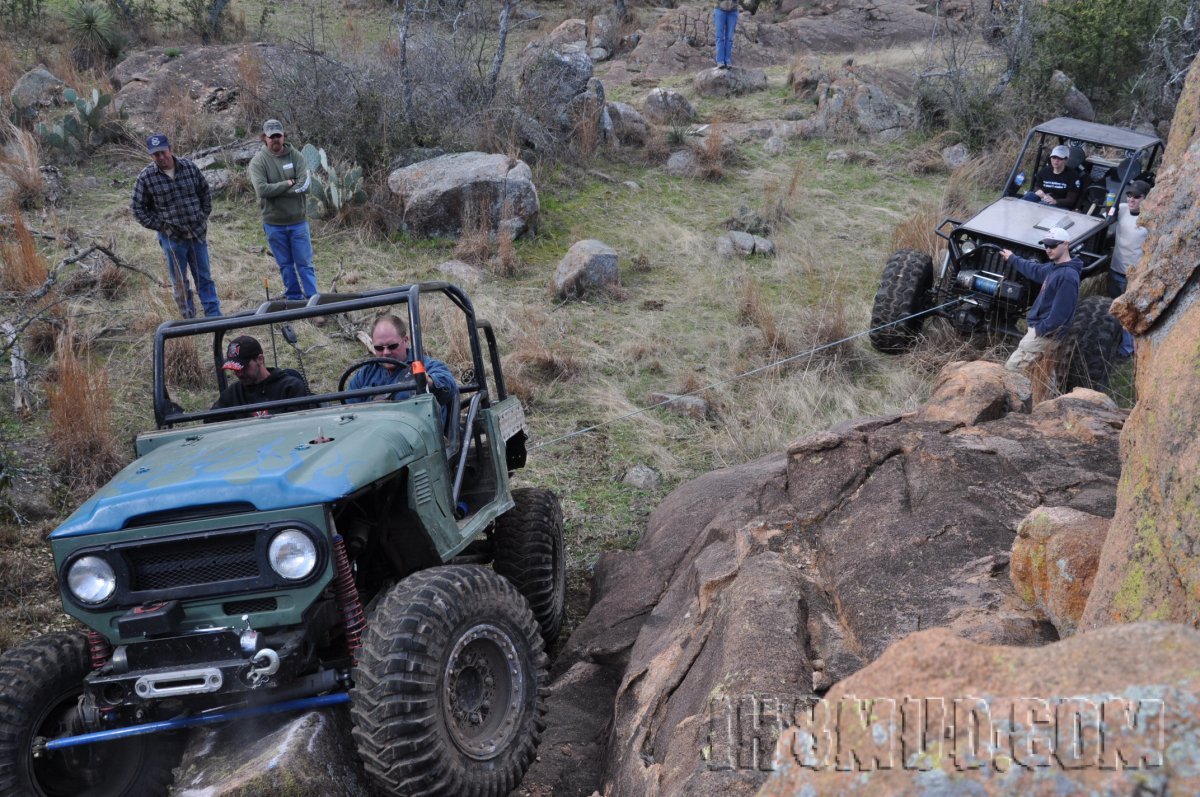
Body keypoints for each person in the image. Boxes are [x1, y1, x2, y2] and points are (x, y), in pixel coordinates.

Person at [131, 134, 222, 319]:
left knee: (204, 277)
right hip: (172, 239)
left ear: (170, 149)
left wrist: (202, 216)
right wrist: (162, 227)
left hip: (197, 234)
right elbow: (137, 209)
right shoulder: (146, 177)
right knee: (180, 282)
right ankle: (189, 320)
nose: (161, 157)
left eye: (163, 152)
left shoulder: (189, 167)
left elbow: (205, 192)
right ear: (152, 156)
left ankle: (214, 316)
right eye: (156, 155)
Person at [1000, 227, 1082, 381]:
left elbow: (1061, 315)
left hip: (1044, 334)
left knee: (1011, 371)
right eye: (1046, 245)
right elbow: (1034, 270)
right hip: (1043, 331)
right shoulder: (1055, 267)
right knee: (1042, 377)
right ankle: (1048, 402)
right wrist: (1012, 258)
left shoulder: (1067, 276)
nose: (1048, 250)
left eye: (1052, 245)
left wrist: (1039, 330)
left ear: (1065, 244)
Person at [249, 119, 318, 302]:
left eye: (278, 135)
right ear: (265, 138)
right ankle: (294, 299)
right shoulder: (258, 162)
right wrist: (288, 183)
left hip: (298, 223)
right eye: (271, 137)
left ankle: (314, 302)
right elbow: (262, 190)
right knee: (285, 265)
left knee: (305, 264)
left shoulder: (296, 156)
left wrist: (277, 191)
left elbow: (306, 185)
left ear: (283, 135)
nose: (275, 140)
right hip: (274, 224)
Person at [346, 315, 457, 420]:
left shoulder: (424, 365)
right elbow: (346, 410)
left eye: (392, 346)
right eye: (379, 348)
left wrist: (428, 381)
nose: (386, 353)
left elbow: (448, 384)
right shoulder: (365, 375)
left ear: (405, 341)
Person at [211, 335, 310, 418]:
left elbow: (299, 425)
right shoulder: (232, 394)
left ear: (260, 359)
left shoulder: (290, 387)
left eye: (243, 367)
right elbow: (211, 423)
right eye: (234, 369)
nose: (239, 374)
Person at [1109, 179, 1151, 357]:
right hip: (1115, 269)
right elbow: (1106, 214)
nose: (1132, 199)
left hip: (1133, 276)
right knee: (1113, 310)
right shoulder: (1123, 209)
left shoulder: (1150, 219)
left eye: (1137, 196)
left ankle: (1126, 351)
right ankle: (1110, 342)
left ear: (1146, 199)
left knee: (1129, 313)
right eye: (1129, 195)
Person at [713, 0, 758, 69]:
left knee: (730, 37)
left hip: (733, 11)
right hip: (720, 10)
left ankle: (727, 61)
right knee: (720, 36)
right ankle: (720, 61)